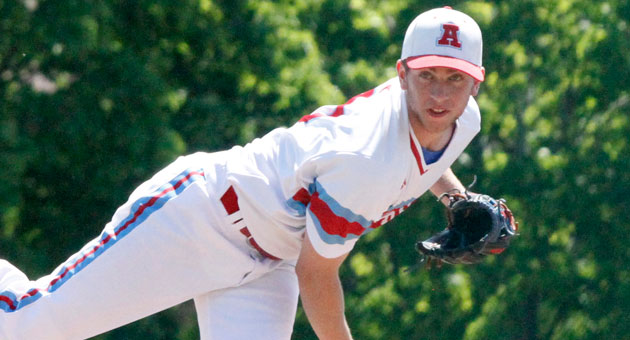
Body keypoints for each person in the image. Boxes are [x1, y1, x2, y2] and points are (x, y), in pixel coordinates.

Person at [1, 6, 489, 340]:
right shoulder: (366, 162)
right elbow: (317, 275)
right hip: (198, 220)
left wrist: (454, 199)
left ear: (476, 84)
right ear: (402, 75)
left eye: (454, 79)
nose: (439, 95)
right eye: (426, 76)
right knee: (31, 327)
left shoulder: (462, 121)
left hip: (266, 262)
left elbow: (428, 155)